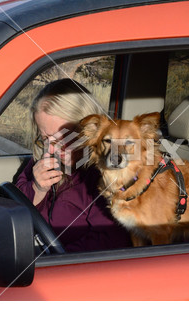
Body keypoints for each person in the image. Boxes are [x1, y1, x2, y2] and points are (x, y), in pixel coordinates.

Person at [15, 79, 131, 252]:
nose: (52, 148)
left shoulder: (105, 176)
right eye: (46, 138)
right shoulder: (43, 159)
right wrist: (37, 190)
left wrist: (58, 259)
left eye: (64, 137)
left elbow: (111, 240)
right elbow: (14, 208)